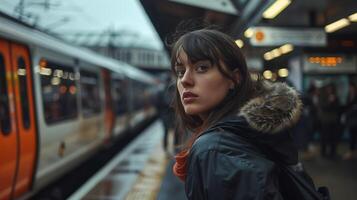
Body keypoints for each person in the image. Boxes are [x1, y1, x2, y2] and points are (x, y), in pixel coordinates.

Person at [168, 27, 325, 199]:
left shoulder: (215, 149)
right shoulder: (253, 133)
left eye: (202, 68)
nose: (185, 80)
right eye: (180, 71)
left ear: (234, 79)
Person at [343, 82, 357, 160]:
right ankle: (351, 152)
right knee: (352, 136)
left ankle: (353, 152)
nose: (351, 89)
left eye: (352, 88)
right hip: (351, 120)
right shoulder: (349, 96)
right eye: (350, 88)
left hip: (355, 118)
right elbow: (348, 107)